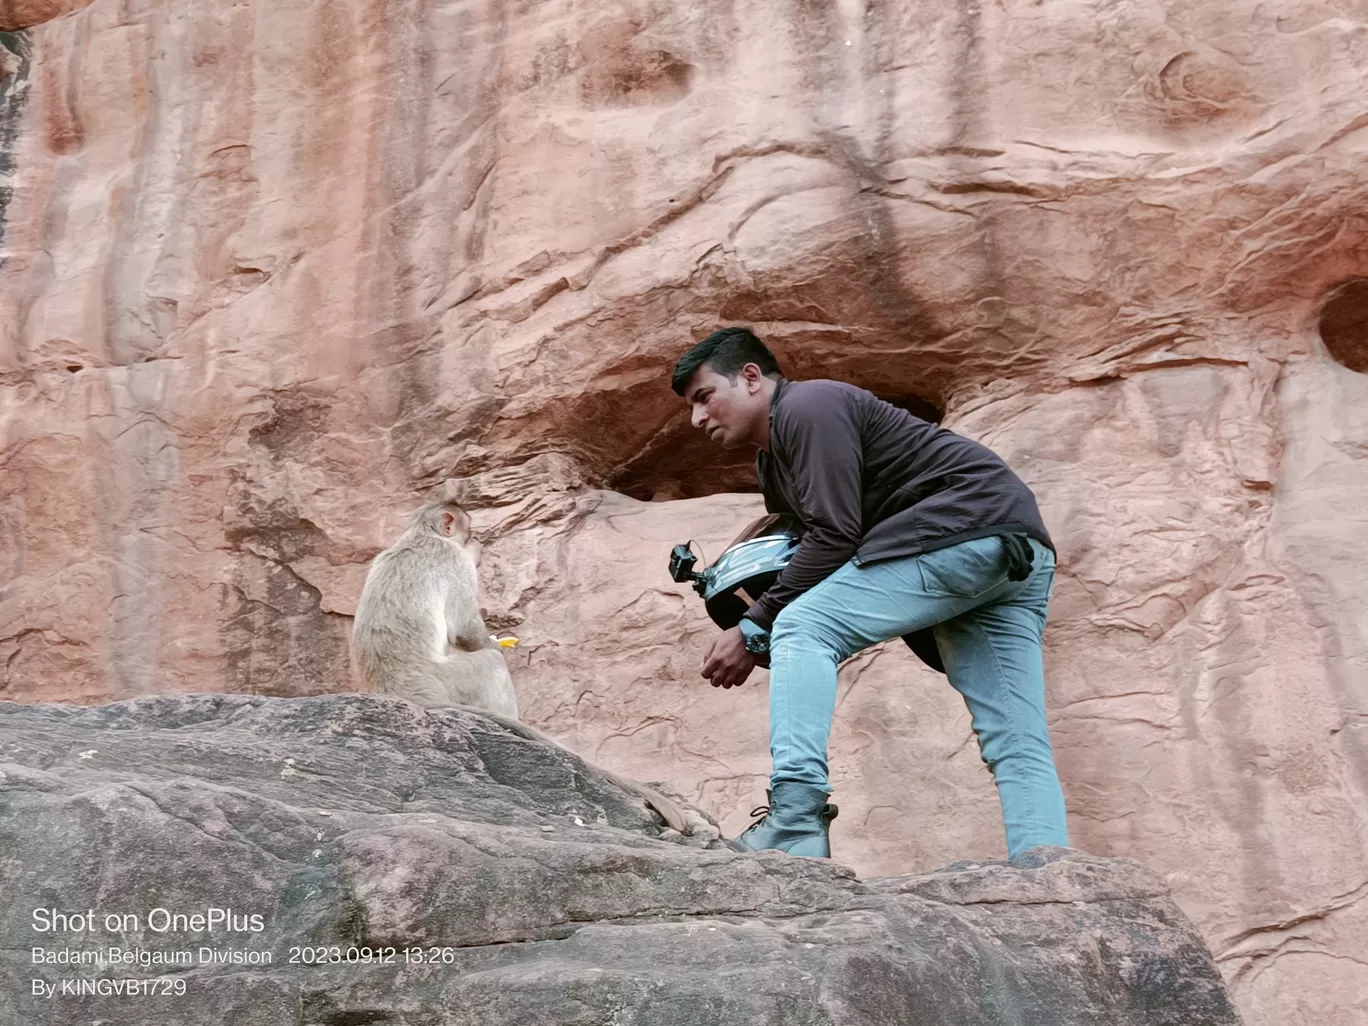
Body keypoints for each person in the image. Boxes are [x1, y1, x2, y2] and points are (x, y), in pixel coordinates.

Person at [670, 326, 1069, 861]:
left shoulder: (809, 405)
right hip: (1012, 549)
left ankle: (794, 818)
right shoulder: (774, 463)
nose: (698, 418)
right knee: (1014, 738)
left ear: (750, 377)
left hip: (963, 530)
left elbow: (835, 534)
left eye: (704, 397)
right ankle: (1049, 874)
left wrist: (754, 623)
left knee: (802, 626)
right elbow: (810, 543)